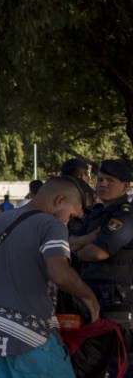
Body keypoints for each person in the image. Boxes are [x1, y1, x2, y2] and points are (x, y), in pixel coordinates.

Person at [0, 177, 99, 377]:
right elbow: (59, 272)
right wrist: (89, 297)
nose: (68, 222)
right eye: (71, 215)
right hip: (32, 340)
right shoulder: (51, 224)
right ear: (59, 201)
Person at [70, 158, 133, 370]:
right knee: (91, 365)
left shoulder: (125, 216)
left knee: (120, 364)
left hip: (117, 304)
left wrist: (80, 249)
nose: (103, 184)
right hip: (90, 300)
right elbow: (67, 244)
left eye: (110, 181)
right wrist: (86, 241)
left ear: (126, 186)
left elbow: (98, 253)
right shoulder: (96, 214)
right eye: (101, 179)